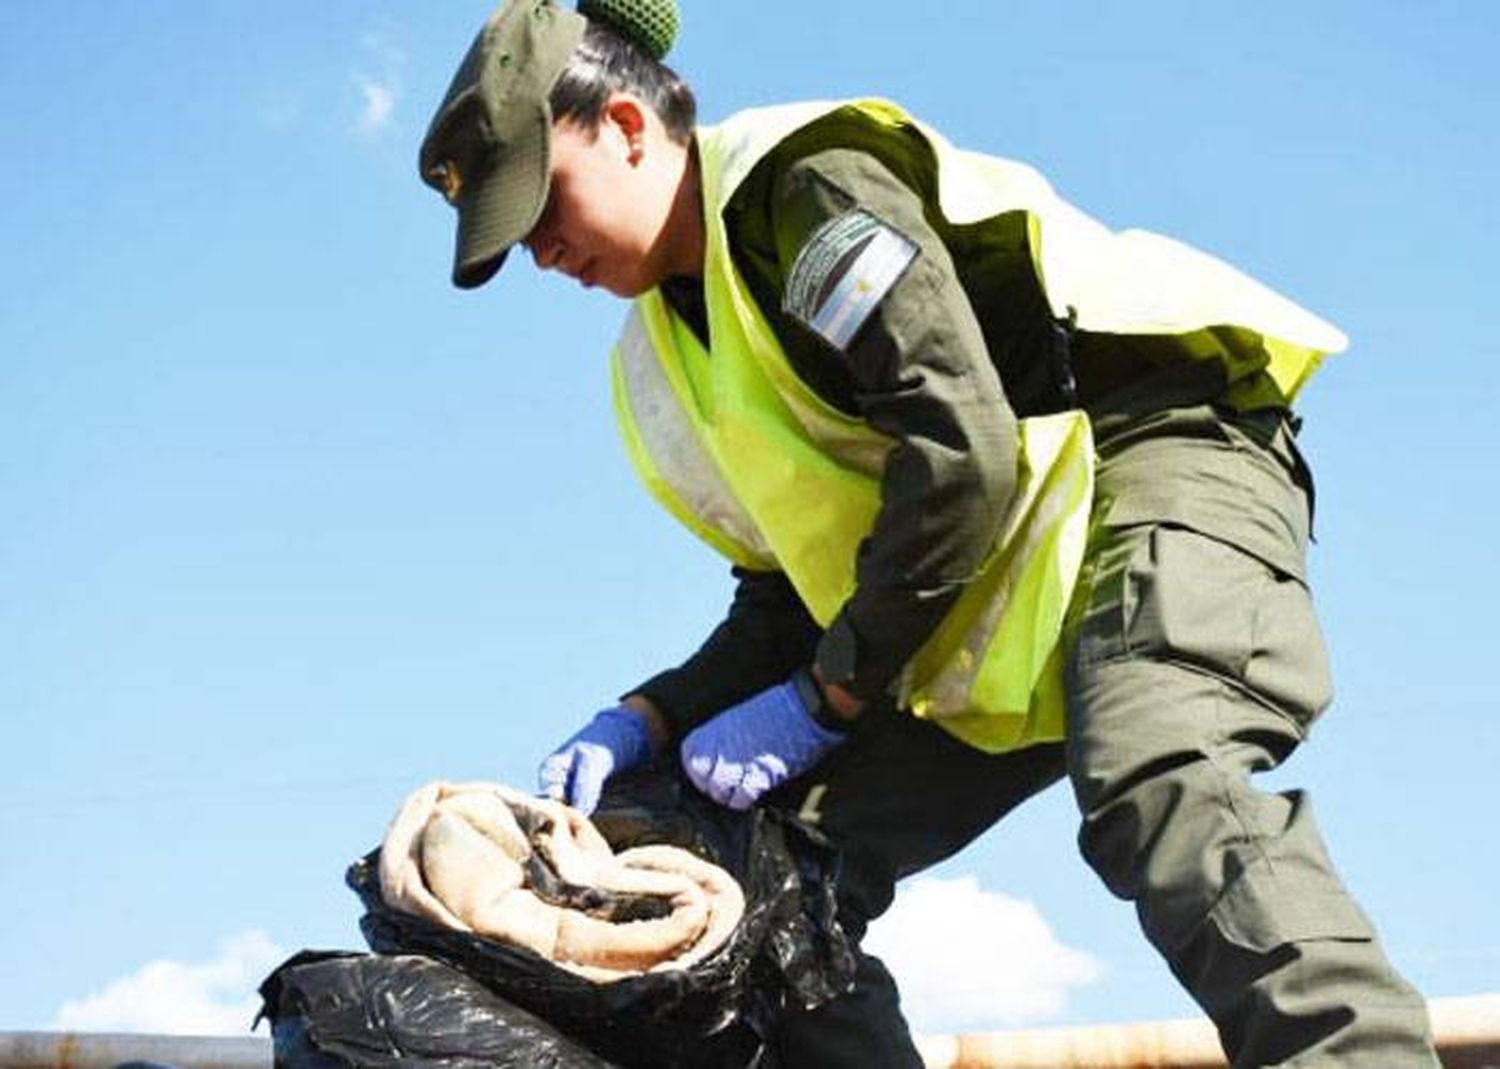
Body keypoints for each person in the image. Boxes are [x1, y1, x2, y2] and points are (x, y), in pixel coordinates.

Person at [418, 1, 1440, 1064]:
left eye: (543, 205)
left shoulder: (798, 193)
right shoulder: (657, 368)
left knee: (1157, 763)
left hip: (1153, 447)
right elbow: (788, 598)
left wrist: (829, 698)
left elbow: (966, 451)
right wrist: (651, 717)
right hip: (983, 572)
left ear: (626, 125)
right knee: (757, 881)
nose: (539, 252)